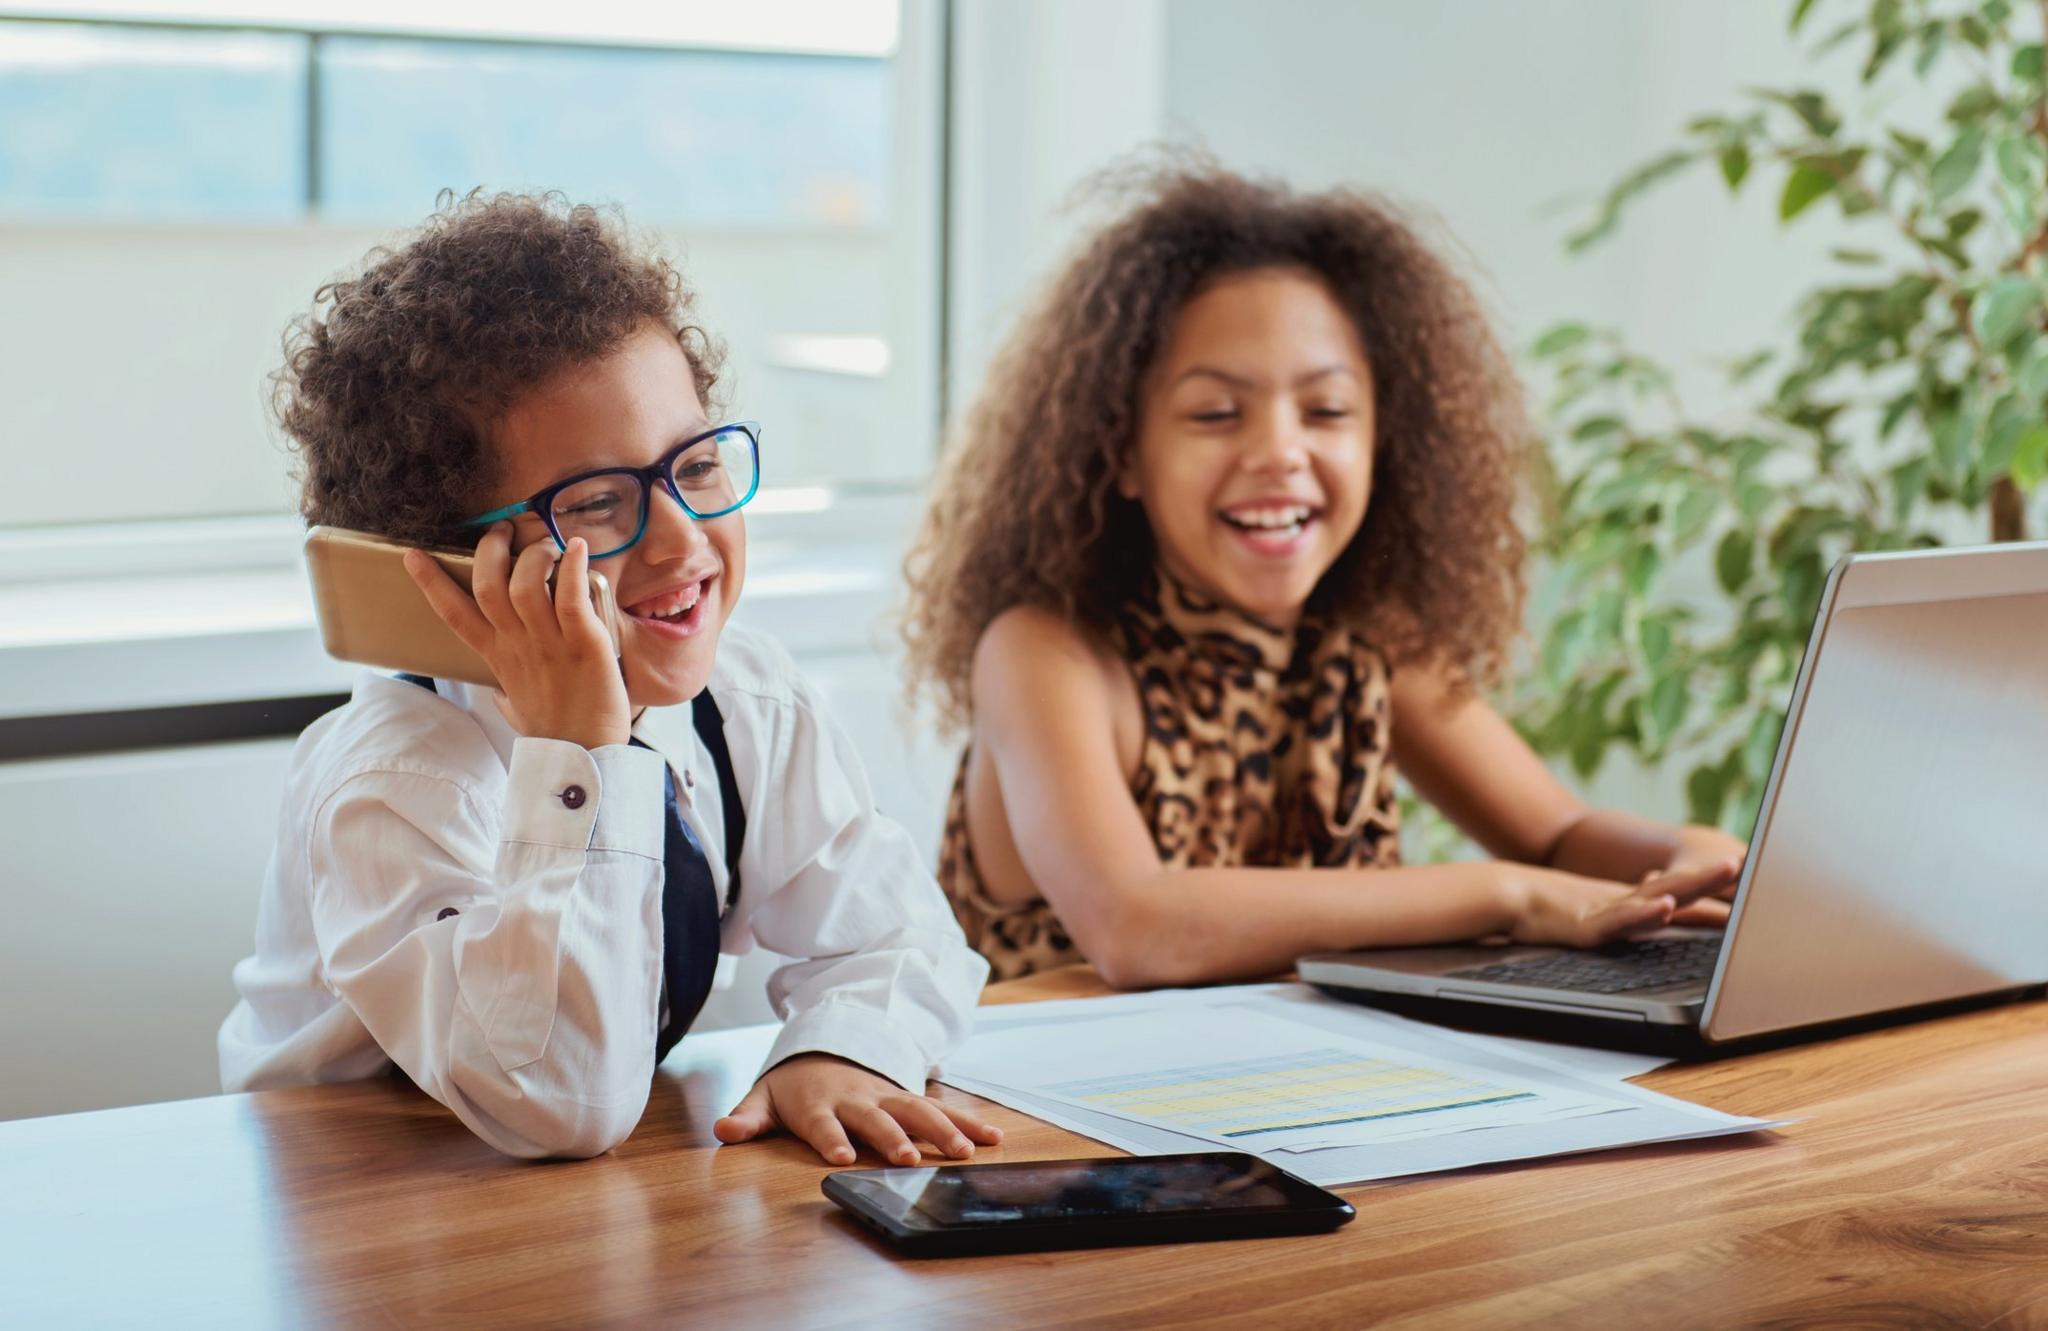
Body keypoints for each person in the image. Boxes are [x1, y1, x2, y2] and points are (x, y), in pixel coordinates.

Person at [220, 192, 1001, 1166]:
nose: (680, 538)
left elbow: (899, 935)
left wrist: (841, 1048)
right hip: (376, 1205)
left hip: (594, 1209)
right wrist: (578, 752)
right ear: (449, 566)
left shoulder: (744, 698)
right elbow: (558, 1101)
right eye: (595, 502)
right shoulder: (397, 775)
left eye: (698, 464)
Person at [902, 162, 1745, 987]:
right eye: (1216, 413)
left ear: (1386, 442)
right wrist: (1507, 893)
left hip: (1304, 1105)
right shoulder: (1045, 654)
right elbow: (1136, 926)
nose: (1279, 451)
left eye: (1327, 410)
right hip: (1046, 1119)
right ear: (1119, 452)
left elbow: (1558, 835)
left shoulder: (1369, 640)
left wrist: (1683, 858)